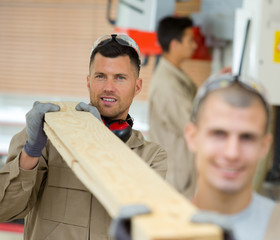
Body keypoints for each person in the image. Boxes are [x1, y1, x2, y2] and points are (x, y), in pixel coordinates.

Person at [0, 34, 167, 240]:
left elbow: (151, 228)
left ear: (138, 86)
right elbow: (4, 209)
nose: (108, 87)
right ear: (88, 81)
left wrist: (100, 143)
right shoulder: (48, 136)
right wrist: (31, 152)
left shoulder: (152, 158)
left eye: (120, 78)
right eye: (100, 76)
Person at [185, 74, 280, 240]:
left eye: (247, 137)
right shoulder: (158, 229)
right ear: (192, 137)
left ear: (264, 146)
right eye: (219, 134)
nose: (232, 153)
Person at [148, 16, 198, 199]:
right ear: (175, 43)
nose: (194, 45)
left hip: (179, 175)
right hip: (175, 179)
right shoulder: (167, 86)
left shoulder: (173, 77)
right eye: (190, 40)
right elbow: (191, 126)